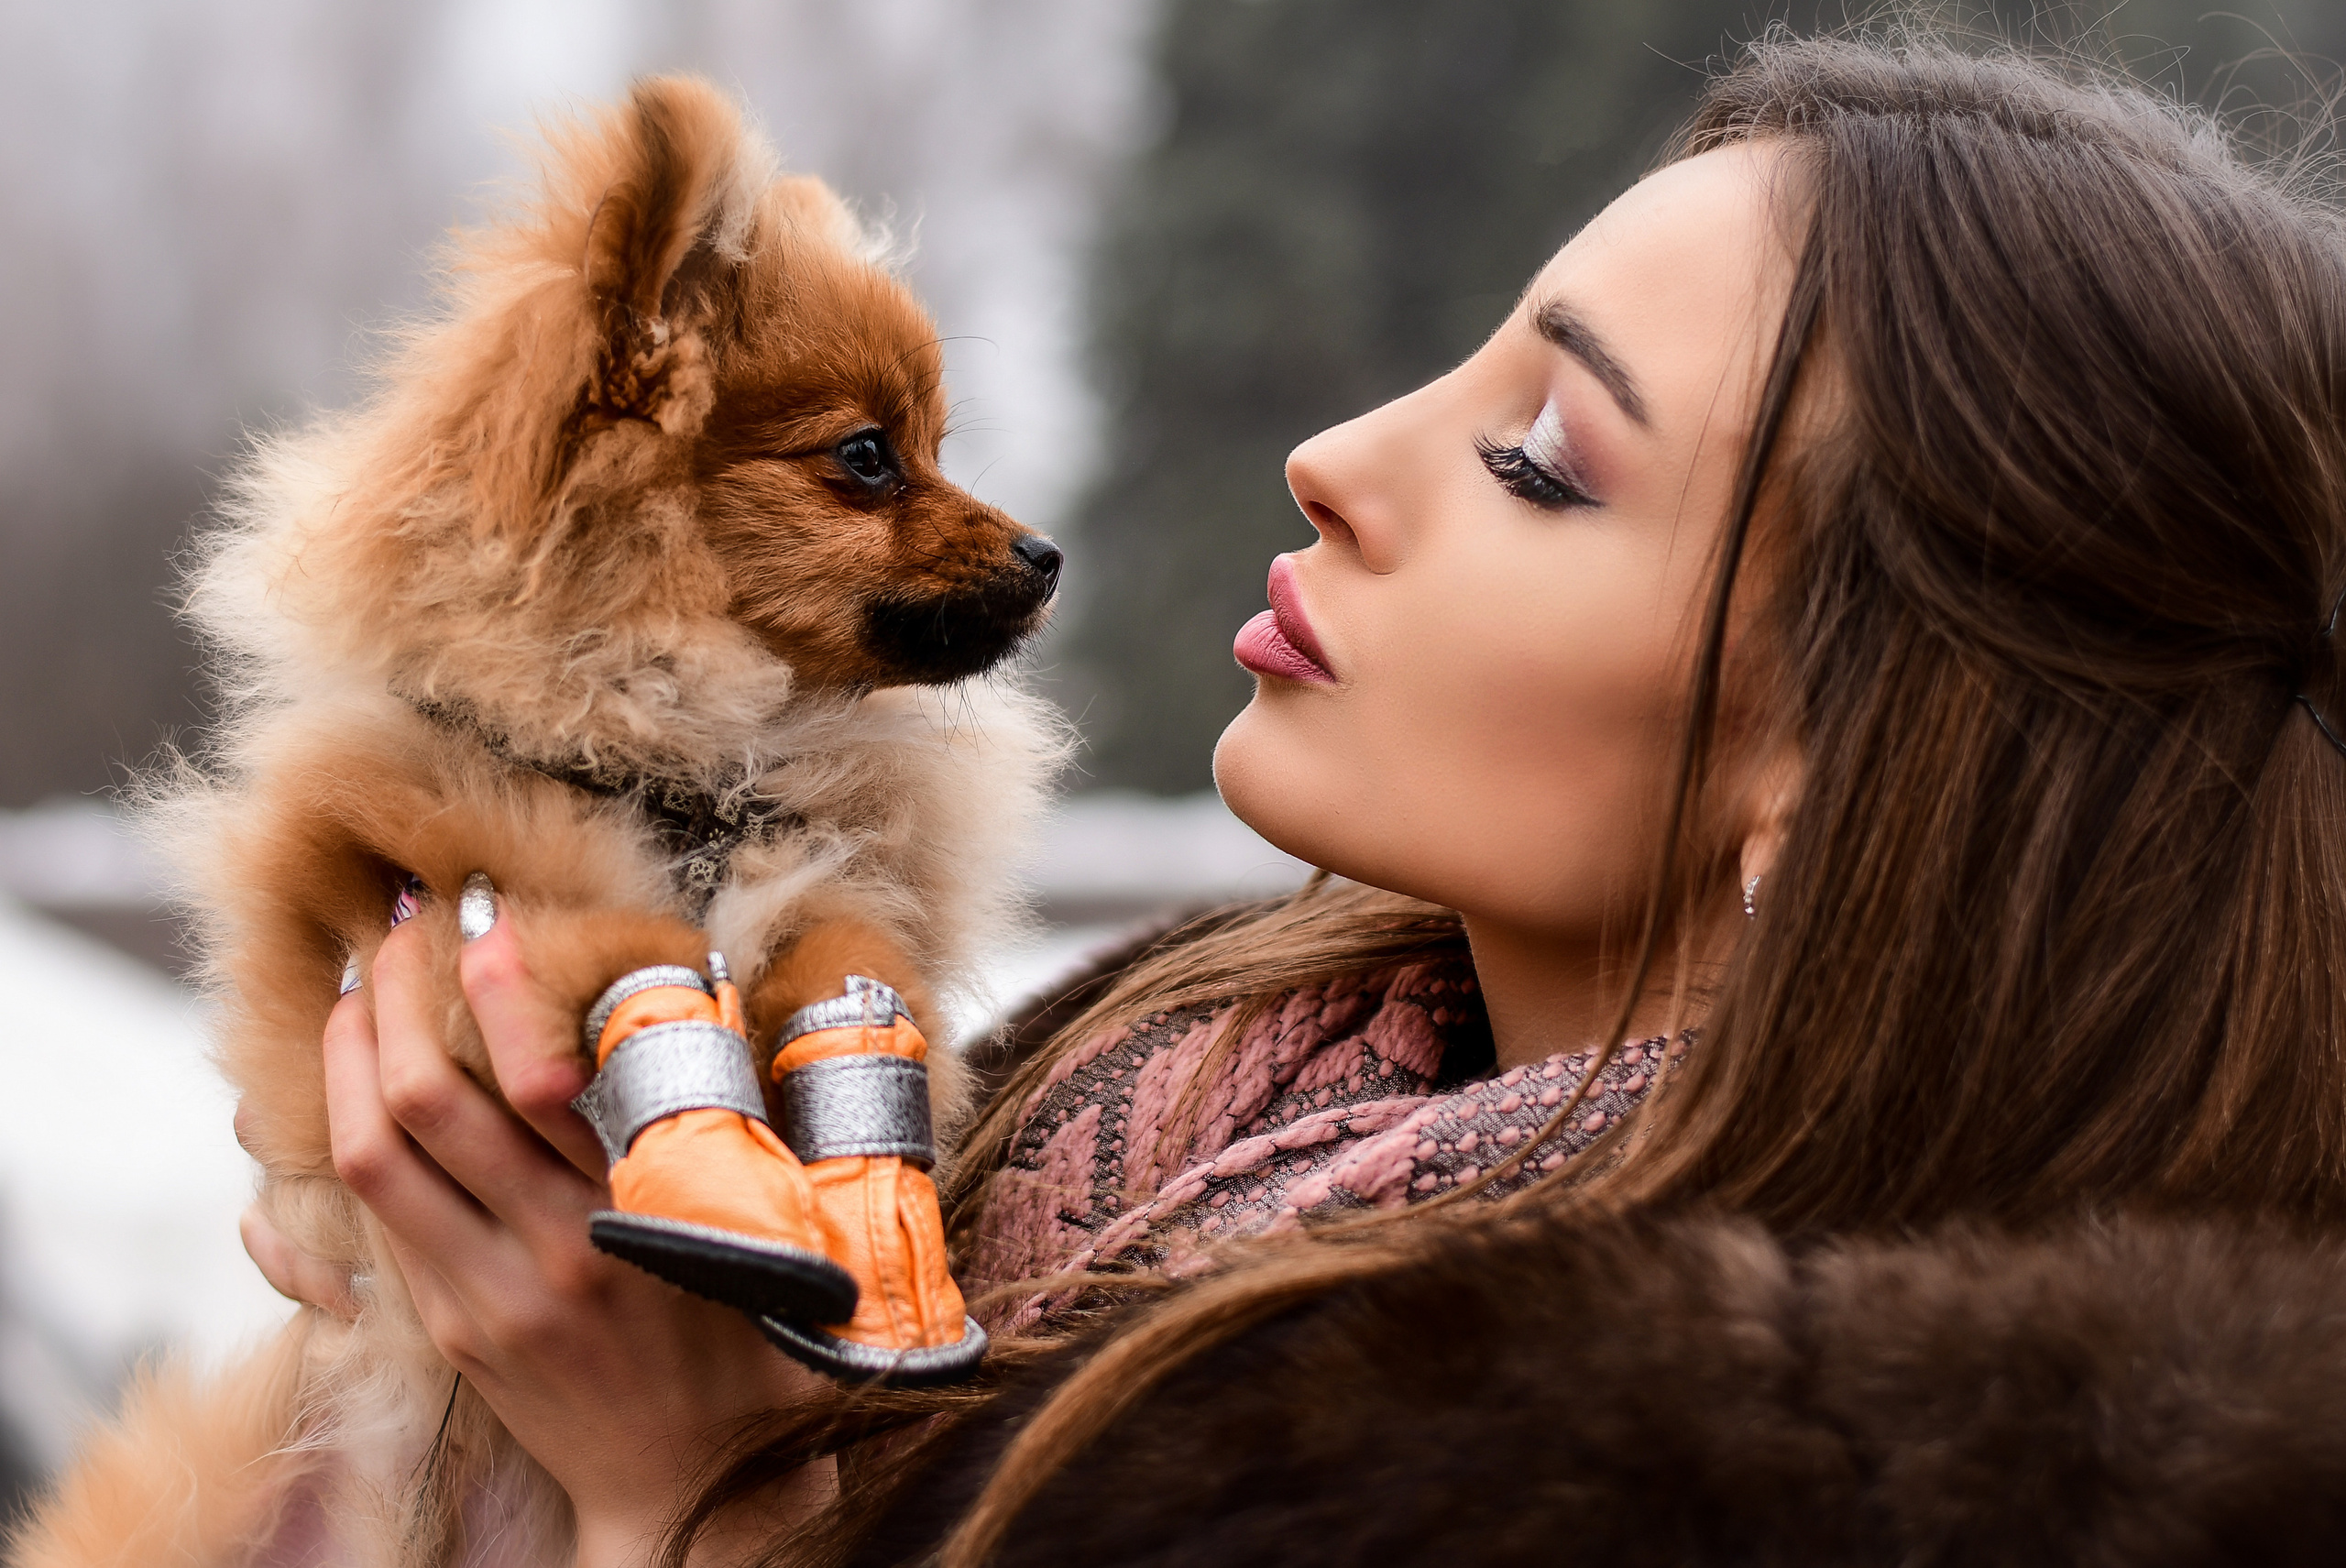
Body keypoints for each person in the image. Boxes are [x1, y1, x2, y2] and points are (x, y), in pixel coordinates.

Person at [251, 26, 2346, 1566]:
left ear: (1848, 768)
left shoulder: (1685, 1496)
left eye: (1539, 455)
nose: (1337, 451)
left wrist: (672, 1499)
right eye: (1457, 359)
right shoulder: (1151, 1116)